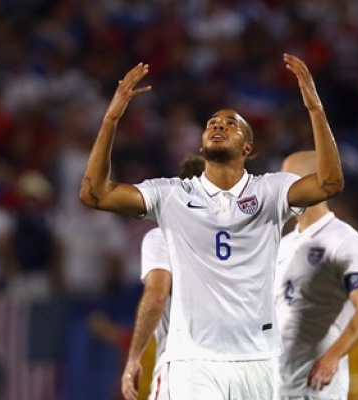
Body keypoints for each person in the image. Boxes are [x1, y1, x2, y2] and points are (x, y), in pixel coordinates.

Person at [80, 54, 344, 399]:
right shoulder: (171, 195)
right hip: (193, 360)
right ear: (201, 145)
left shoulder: (271, 190)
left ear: (247, 147)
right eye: (212, 123)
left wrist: (315, 109)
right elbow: (94, 194)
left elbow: (330, 183)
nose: (219, 126)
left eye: (231, 123)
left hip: (259, 358)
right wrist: (111, 119)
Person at [274, 150, 358, 400]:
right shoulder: (284, 244)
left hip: (316, 389)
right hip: (277, 387)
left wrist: (333, 356)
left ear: (312, 181)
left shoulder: (344, 240)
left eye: (286, 179)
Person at [121, 154, 206, 400]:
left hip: (185, 368)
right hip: (240, 365)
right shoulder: (244, 237)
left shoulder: (163, 237)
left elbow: (156, 296)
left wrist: (134, 357)